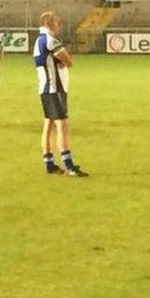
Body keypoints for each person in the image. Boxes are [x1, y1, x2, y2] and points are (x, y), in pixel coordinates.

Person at [33, 11, 88, 177]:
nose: (59, 25)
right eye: (57, 22)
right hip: (54, 89)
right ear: (49, 22)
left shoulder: (39, 40)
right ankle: (69, 166)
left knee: (48, 125)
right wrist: (65, 62)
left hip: (45, 88)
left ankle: (49, 163)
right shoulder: (50, 40)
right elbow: (68, 60)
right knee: (62, 126)